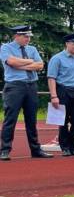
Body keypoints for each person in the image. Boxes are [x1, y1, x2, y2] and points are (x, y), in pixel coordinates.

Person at [1, 25, 50, 160]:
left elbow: (40, 65)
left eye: (29, 36)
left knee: (31, 119)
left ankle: (35, 150)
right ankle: (4, 150)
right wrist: (29, 62)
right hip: (14, 86)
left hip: (31, 86)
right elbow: (10, 62)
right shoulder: (6, 48)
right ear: (16, 36)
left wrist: (20, 64)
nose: (28, 39)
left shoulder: (32, 49)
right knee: (10, 119)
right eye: (25, 36)